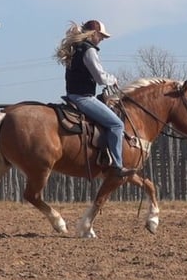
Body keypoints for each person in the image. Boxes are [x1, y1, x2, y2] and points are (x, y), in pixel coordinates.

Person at [54, 20, 136, 178]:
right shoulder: (89, 50)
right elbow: (99, 77)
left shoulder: (75, 49)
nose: (102, 39)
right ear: (94, 34)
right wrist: (113, 79)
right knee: (117, 124)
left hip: (72, 95)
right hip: (83, 98)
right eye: (102, 36)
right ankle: (117, 166)